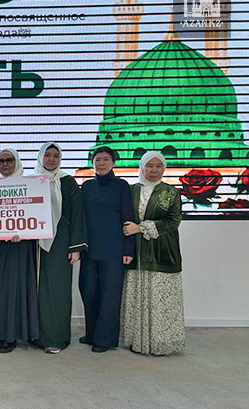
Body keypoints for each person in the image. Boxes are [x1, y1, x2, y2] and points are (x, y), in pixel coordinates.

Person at [121, 151, 185, 355]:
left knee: (160, 300)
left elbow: (173, 221)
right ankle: (137, 341)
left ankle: (162, 342)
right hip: (136, 253)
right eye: (149, 165)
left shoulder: (171, 192)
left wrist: (140, 228)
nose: (154, 170)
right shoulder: (131, 190)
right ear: (141, 167)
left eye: (159, 166)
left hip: (163, 252)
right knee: (137, 297)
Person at [0, 148, 39, 353]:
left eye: (9, 160)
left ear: (17, 161)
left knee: (14, 290)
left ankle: (11, 335)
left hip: (19, 247)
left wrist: (24, 232)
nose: (5, 164)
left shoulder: (28, 185)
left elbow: (36, 215)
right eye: (1, 161)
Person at [32, 142, 87, 354]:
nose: (51, 159)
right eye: (47, 155)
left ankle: (55, 338)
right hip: (33, 243)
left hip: (60, 242)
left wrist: (75, 247)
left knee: (57, 290)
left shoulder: (67, 181)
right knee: (35, 289)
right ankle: (35, 335)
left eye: (55, 155)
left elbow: (78, 214)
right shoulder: (31, 180)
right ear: (41, 157)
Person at [80, 146, 135, 353]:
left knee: (109, 295)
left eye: (105, 159)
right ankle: (91, 334)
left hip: (114, 250)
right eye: (97, 159)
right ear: (92, 163)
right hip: (89, 250)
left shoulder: (122, 186)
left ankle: (105, 339)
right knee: (89, 292)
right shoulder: (87, 186)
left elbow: (129, 218)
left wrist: (129, 249)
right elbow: (81, 217)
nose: (101, 163)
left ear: (113, 163)